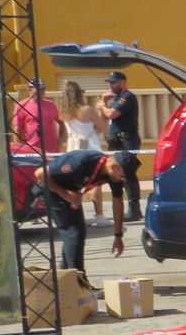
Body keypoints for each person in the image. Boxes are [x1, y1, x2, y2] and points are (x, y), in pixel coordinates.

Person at [34, 149, 134, 274]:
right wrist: (65, 194)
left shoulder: (113, 176)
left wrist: (118, 236)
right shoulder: (82, 162)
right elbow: (40, 173)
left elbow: (118, 202)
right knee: (73, 233)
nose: (123, 180)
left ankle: (65, 279)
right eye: (123, 176)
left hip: (71, 193)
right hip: (52, 189)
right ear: (114, 167)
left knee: (77, 233)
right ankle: (79, 282)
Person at [61, 81, 109, 219]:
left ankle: (76, 215)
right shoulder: (87, 110)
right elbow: (103, 129)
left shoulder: (64, 112)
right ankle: (99, 215)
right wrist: (101, 113)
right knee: (95, 183)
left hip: (72, 149)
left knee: (75, 184)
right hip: (90, 149)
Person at [100, 70, 142, 218]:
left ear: (122, 83)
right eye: (110, 82)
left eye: (114, 82)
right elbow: (104, 118)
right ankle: (130, 208)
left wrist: (102, 106)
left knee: (128, 174)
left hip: (127, 141)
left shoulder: (127, 97)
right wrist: (104, 103)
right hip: (117, 142)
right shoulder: (117, 99)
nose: (111, 85)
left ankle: (134, 210)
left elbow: (111, 114)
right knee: (120, 174)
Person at [12, 77, 64, 156]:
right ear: (29, 89)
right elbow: (17, 129)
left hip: (52, 150)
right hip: (31, 150)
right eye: (39, 89)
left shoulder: (51, 104)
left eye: (43, 89)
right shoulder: (21, 106)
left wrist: (59, 143)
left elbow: (61, 123)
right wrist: (19, 150)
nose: (42, 92)